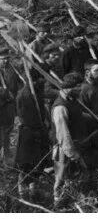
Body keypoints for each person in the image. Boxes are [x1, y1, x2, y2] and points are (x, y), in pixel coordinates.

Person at [52, 72, 92, 208]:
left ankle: (78, 205)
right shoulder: (60, 107)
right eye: (78, 87)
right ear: (68, 88)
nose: (81, 90)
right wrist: (73, 154)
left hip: (77, 145)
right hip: (65, 149)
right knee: (61, 179)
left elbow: (79, 115)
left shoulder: (72, 100)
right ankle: (58, 207)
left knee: (79, 178)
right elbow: (63, 134)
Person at [15, 70, 50, 198]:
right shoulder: (25, 95)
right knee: (26, 163)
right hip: (29, 133)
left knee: (38, 162)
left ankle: (33, 189)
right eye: (39, 79)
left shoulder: (37, 92)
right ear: (32, 81)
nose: (43, 81)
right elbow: (26, 117)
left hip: (38, 130)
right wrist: (38, 128)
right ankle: (22, 191)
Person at [0, 48, 22, 167]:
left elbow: (19, 84)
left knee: (7, 131)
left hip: (9, 106)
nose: (5, 61)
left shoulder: (12, 70)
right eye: (2, 59)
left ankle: (6, 158)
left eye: (7, 58)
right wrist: (5, 92)